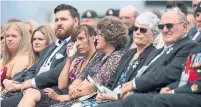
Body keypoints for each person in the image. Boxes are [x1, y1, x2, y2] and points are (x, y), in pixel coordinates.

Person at [96, 10, 198, 107]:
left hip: (156, 97)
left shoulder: (188, 46)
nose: (165, 30)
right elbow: (146, 75)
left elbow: (170, 73)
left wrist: (135, 85)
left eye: (169, 26)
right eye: (162, 26)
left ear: (185, 27)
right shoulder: (158, 52)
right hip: (133, 96)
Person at [71, 11, 160, 107]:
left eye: (142, 30)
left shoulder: (154, 55)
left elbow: (141, 87)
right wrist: (105, 93)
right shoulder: (128, 53)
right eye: (135, 28)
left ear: (154, 34)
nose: (137, 32)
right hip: (109, 98)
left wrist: (114, 96)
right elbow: (112, 82)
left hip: (125, 101)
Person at [1, 4, 79, 107]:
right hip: (32, 91)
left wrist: (32, 83)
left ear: (75, 21)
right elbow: (32, 70)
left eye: (63, 19)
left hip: (54, 92)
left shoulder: (77, 44)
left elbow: (58, 72)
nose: (59, 23)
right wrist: (27, 84)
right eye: (56, 20)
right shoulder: (51, 47)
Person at [50, 17, 128, 107]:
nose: (96, 38)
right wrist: (74, 86)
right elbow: (83, 74)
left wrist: (73, 93)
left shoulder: (117, 56)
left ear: (110, 37)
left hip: (100, 99)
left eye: (99, 35)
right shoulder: (99, 55)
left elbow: (96, 83)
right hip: (83, 96)